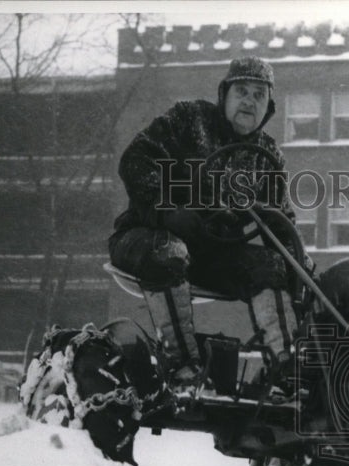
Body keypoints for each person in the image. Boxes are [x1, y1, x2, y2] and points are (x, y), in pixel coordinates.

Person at [108, 56, 305, 394]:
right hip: (146, 236)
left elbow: (280, 221)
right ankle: (183, 367)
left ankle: (285, 369)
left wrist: (296, 265)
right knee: (170, 251)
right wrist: (168, 210)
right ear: (224, 94)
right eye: (241, 91)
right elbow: (135, 161)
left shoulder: (266, 156)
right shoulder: (189, 120)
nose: (249, 101)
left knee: (270, 265)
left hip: (213, 254)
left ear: (268, 107)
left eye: (259, 95)